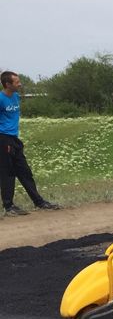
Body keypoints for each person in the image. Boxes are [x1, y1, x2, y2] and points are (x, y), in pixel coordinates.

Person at [0, 71, 60, 216]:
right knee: (8, 173)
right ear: (7, 84)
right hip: (3, 138)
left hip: (14, 138)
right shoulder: (1, 99)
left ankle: (39, 202)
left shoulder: (15, 97)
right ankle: (9, 207)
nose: (19, 84)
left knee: (24, 171)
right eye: (16, 82)